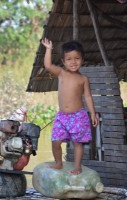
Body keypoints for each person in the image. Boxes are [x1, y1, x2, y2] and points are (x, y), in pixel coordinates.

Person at [41, 38, 99, 175]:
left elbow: (88, 97)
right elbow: (48, 65)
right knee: (56, 140)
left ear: (82, 59)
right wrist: (48, 49)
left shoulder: (83, 79)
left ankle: (78, 166)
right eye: (69, 59)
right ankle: (58, 162)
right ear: (63, 61)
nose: (73, 62)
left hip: (78, 116)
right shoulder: (61, 73)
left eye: (77, 58)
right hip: (62, 116)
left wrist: (92, 113)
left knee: (78, 143)